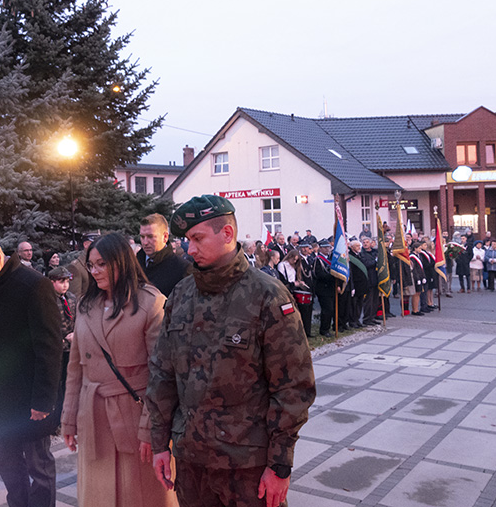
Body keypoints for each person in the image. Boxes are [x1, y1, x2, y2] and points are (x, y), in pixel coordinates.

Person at [147, 195, 315, 507]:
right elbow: (162, 374)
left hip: (246, 465)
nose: (190, 248)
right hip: (192, 462)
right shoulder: (182, 295)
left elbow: (293, 385)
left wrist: (280, 464)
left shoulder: (266, 295)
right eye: (187, 240)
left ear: (227, 234)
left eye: (197, 238)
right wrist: (159, 442)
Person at [61, 233, 175, 507]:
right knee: (99, 495)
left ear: (121, 263)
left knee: (140, 495)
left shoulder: (151, 303)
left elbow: (161, 374)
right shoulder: (87, 305)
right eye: (91, 265)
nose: (95, 271)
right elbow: (76, 368)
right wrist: (69, 417)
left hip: (134, 417)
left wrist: (150, 428)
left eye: (101, 264)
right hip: (94, 416)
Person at [0, 236, 63, 507]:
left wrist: (43, 400)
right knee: (8, 464)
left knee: (38, 466)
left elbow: (49, 347)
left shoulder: (34, 285)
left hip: (29, 395)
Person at [47, 266, 77, 428]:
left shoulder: (71, 298)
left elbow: (76, 319)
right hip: (57, 348)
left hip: (71, 348)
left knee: (68, 384)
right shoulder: (48, 299)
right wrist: (64, 337)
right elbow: (49, 325)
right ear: (52, 282)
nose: (65, 285)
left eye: (67, 281)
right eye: (61, 281)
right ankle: (54, 420)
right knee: (56, 385)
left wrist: (75, 336)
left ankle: (67, 417)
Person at [137, 214, 191, 297]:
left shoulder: (183, 268)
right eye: (142, 237)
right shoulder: (134, 264)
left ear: (165, 237)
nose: (145, 242)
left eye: (150, 236)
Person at [67, 233, 100, 299]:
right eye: (95, 243)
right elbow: (75, 298)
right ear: (85, 244)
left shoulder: (101, 263)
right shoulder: (76, 267)